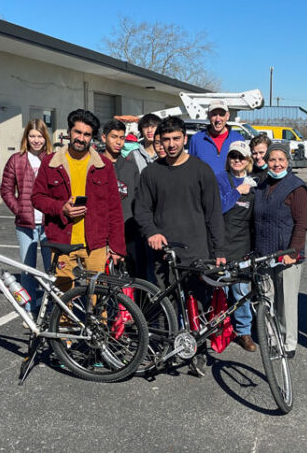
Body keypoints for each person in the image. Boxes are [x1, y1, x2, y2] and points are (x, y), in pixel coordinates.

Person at [134, 116, 225, 376]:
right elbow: (141, 209)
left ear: (185, 139)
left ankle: (198, 349)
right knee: (166, 304)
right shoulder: (151, 172)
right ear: (158, 141)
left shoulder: (201, 170)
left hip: (197, 251)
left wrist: (219, 251)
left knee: (198, 302)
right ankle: (168, 348)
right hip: (164, 252)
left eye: (176, 139)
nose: (171, 144)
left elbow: (213, 214)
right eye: (166, 139)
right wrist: (151, 232)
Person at [31, 109, 125, 291]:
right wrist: (61, 208)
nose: (81, 138)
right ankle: (64, 321)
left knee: (98, 300)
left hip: (95, 244)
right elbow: (37, 197)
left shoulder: (103, 166)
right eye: (78, 132)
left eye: (87, 134)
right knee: (63, 300)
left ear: (93, 138)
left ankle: (97, 321)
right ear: (69, 132)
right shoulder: (51, 162)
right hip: (61, 242)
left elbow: (114, 208)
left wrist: (116, 247)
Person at [253, 143, 307, 359]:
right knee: (267, 300)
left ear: (288, 162)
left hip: (286, 255)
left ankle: (288, 342)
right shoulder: (261, 185)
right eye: (272, 160)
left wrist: (292, 251)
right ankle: (271, 339)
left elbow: (302, 223)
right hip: (263, 253)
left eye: (281, 160)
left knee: (286, 302)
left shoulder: (296, 187)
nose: (276, 164)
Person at [0, 119, 53, 317]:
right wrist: (19, 209)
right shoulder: (17, 159)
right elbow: (6, 190)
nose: (36, 140)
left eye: (40, 136)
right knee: (27, 270)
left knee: (51, 270)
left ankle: (52, 309)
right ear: (26, 137)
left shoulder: (52, 158)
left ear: (45, 137)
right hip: (26, 224)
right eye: (32, 136)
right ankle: (30, 310)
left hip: (49, 224)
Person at [216, 140, 257, 352]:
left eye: (241, 157)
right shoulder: (221, 179)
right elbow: (218, 207)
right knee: (220, 291)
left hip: (243, 246)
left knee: (241, 292)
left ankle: (244, 332)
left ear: (248, 160)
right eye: (233, 156)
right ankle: (219, 330)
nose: (237, 160)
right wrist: (237, 191)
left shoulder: (255, 183)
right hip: (222, 244)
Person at [100, 119, 140, 275]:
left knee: (131, 280)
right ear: (104, 138)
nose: (118, 142)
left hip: (128, 234)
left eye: (122, 138)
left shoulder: (131, 167)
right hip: (101, 235)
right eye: (114, 137)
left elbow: (138, 200)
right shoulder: (95, 165)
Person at [188, 99, 244, 174]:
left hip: (231, 185)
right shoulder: (196, 139)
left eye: (221, 114)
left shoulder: (238, 139)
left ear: (227, 116)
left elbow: (245, 168)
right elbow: (191, 169)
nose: (218, 119)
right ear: (208, 116)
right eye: (214, 114)